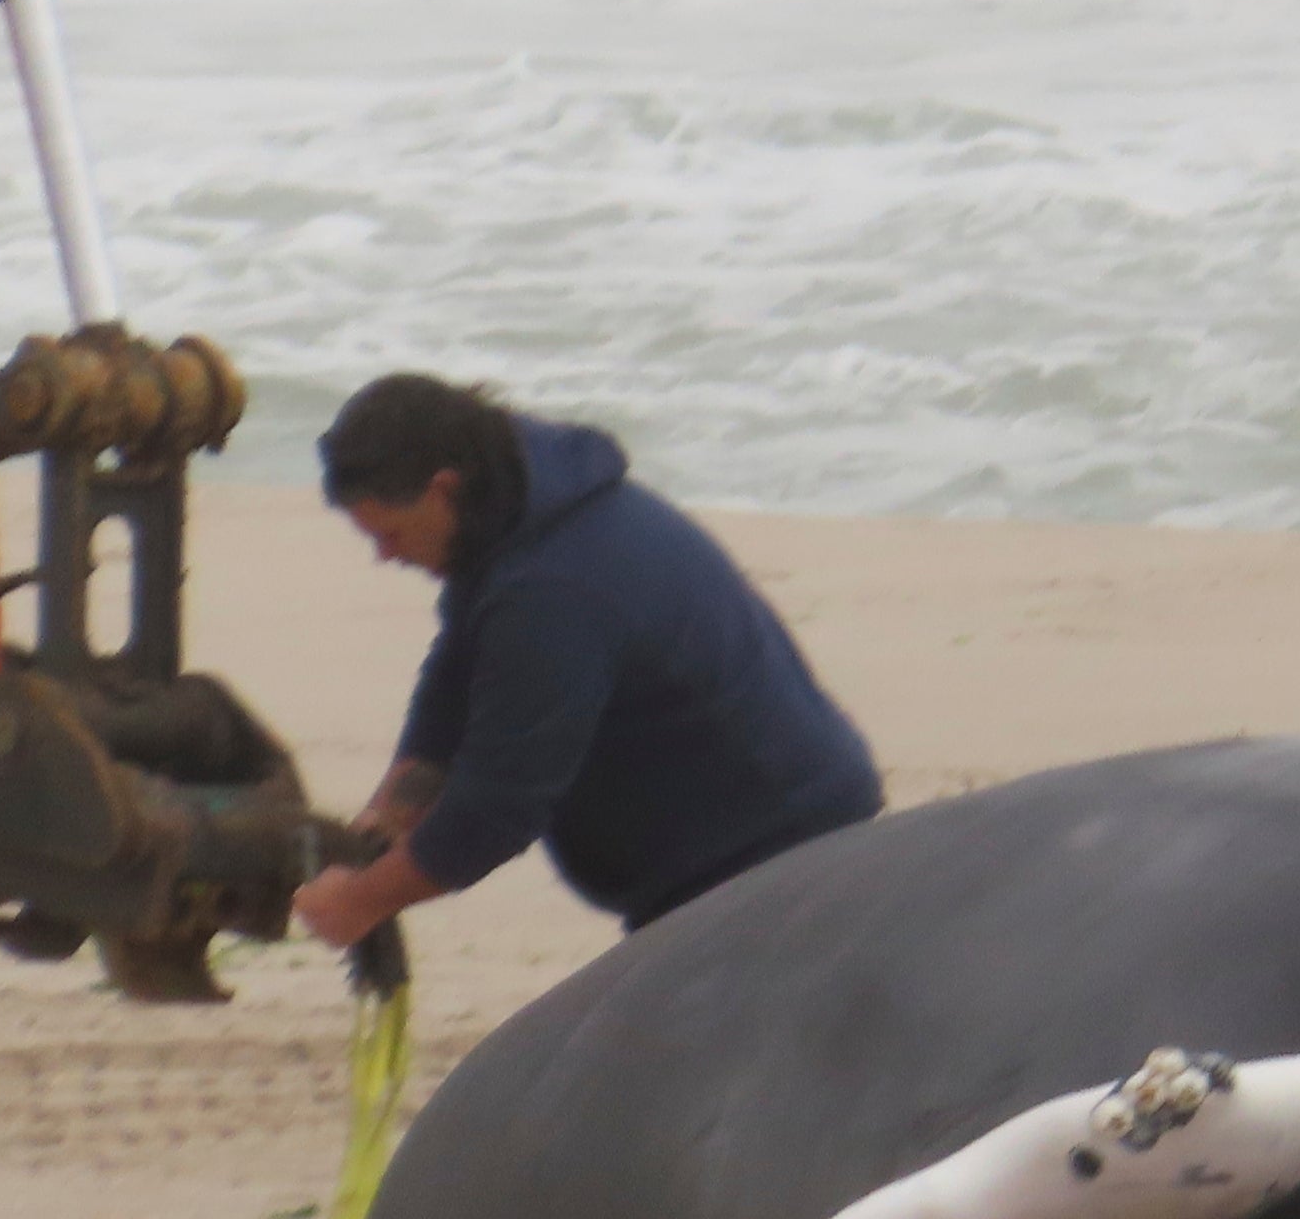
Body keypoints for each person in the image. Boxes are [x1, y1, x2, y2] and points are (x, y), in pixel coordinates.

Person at [287, 373, 883, 960]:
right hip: (735, 850)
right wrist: (388, 817)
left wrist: (362, 901)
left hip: (778, 863)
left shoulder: (552, 591)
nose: (384, 556)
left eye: (389, 533)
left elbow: (497, 807)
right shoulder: (519, 502)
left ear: (443, 489)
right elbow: (458, 675)